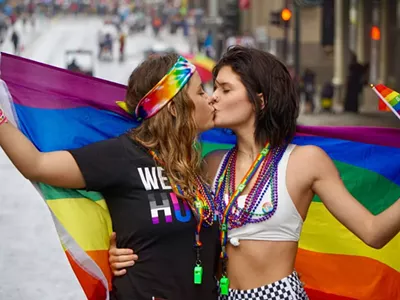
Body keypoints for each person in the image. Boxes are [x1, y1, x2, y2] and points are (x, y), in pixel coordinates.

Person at [109, 46, 400, 299]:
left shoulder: (305, 161)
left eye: (225, 89)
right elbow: (172, 228)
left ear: (259, 100)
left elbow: (373, 232)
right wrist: (125, 253)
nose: (212, 99)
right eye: (212, 89)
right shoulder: (210, 163)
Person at [0, 54, 219, 300]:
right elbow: (36, 164)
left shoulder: (205, 163)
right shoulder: (122, 155)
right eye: (200, 92)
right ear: (173, 108)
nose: (210, 98)